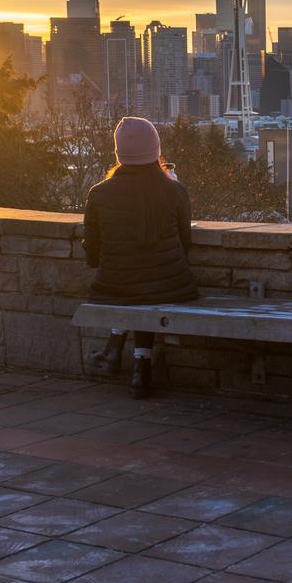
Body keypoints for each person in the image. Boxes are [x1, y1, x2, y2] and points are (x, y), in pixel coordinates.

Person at [83, 117, 198, 399]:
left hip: (115, 285)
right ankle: (141, 364)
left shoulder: (98, 194)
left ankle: (115, 346)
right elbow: (186, 244)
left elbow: (92, 256)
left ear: (118, 152)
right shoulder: (175, 191)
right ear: (156, 151)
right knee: (146, 286)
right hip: (174, 286)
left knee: (133, 286)